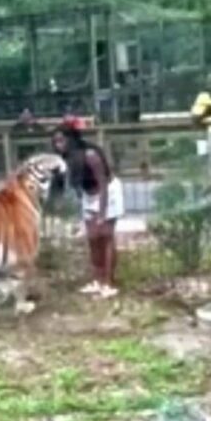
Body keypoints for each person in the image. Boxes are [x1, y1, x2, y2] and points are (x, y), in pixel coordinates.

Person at [51, 116, 122, 298]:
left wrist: (102, 212)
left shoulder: (90, 154)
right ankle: (97, 280)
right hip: (89, 195)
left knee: (105, 237)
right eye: (55, 141)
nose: (58, 144)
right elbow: (60, 186)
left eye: (61, 140)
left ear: (71, 139)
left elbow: (103, 183)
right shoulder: (64, 158)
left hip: (107, 193)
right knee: (92, 238)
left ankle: (108, 283)